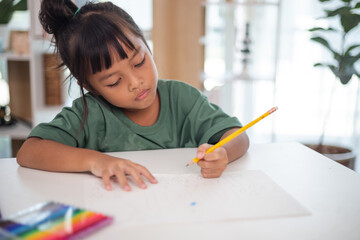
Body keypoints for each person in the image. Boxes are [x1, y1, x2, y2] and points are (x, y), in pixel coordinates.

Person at [17, 0, 249, 192]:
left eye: (139, 62)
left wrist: (223, 154)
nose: (135, 83)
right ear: (90, 86)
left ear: (147, 46)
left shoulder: (182, 98)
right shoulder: (89, 113)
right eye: (114, 81)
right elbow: (29, 151)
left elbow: (238, 136)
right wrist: (96, 161)